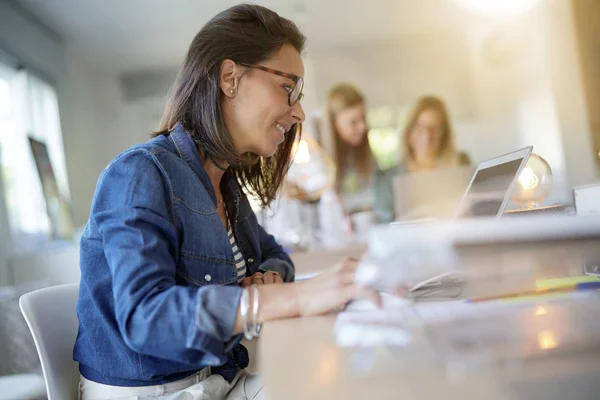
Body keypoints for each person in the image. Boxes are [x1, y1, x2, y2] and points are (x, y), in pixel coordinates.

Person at [73, 5, 377, 400]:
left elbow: (277, 255)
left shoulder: (225, 185)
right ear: (230, 78)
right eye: (289, 88)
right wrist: (277, 298)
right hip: (157, 393)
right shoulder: (139, 173)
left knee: (340, 374)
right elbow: (146, 318)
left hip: (214, 379)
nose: (299, 110)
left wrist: (265, 278)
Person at [375, 95, 471, 222]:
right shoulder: (388, 179)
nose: (427, 136)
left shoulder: (461, 163)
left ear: (444, 134)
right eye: (420, 127)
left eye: (435, 129)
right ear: (409, 131)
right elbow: (386, 227)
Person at [321, 84, 376, 218]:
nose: (363, 127)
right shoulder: (316, 161)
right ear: (334, 124)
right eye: (353, 122)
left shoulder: (364, 155)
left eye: (363, 118)